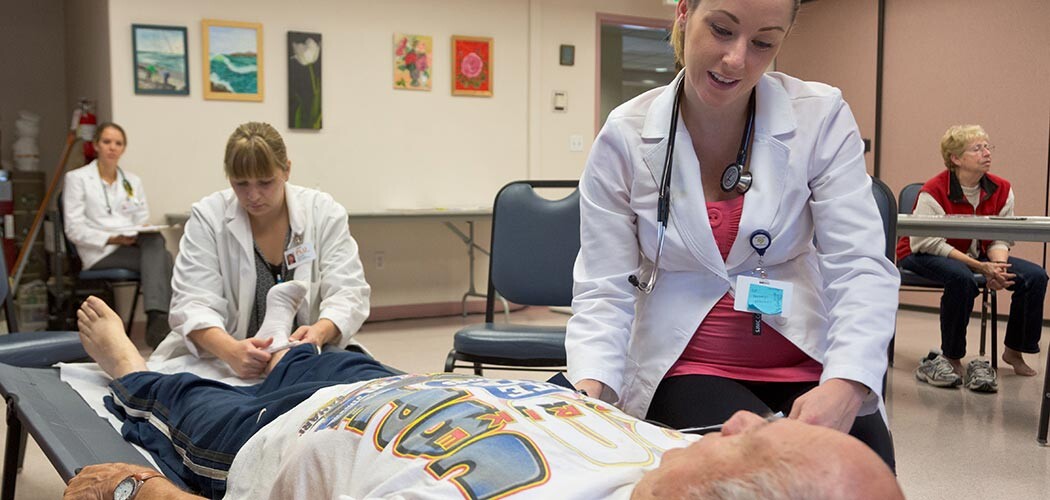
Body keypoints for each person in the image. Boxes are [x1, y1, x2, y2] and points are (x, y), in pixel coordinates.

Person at [63, 297, 904, 500]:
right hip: (394, 385)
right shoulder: (671, 459)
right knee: (331, 349)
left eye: (759, 438)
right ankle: (302, 349)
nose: (744, 414)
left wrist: (140, 488)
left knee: (172, 398)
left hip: (280, 430)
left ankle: (131, 367)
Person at [566, 0, 900, 468]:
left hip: (812, 359)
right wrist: (591, 386)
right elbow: (605, 286)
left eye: (763, 42)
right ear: (685, 12)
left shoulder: (819, 117)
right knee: (766, 470)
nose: (737, 60)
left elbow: (860, 264)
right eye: (722, 30)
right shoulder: (625, 136)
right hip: (686, 363)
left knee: (866, 478)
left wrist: (847, 384)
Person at [150, 122, 370, 380]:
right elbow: (193, 302)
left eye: (265, 182)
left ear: (286, 170)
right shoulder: (209, 217)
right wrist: (230, 351)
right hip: (227, 357)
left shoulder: (323, 213)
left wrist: (319, 333)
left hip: (310, 354)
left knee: (369, 381)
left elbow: (348, 292)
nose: (253, 195)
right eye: (240, 183)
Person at [898, 124, 1046, 392]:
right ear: (956, 158)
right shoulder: (934, 190)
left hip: (975, 254)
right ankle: (952, 356)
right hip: (921, 252)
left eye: (988, 147)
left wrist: (997, 268)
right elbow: (928, 241)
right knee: (961, 278)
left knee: (1035, 276)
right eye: (977, 149)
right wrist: (981, 267)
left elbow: (1000, 236)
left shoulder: (1001, 189)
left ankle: (1014, 350)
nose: (986, 153)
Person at [63, 122, 174, 348]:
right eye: (106, 142)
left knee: (155, 239)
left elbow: (140, 217)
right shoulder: (78, 178)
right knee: (164, 258)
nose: (112, 147)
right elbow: (73, 229)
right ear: (96, 145)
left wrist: (137, 231)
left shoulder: (131, 181)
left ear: (123, 148)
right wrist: (113, 239)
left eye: (118, 143)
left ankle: (158, 319)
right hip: (99, 250)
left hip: (131, 244)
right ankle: (160, 320)